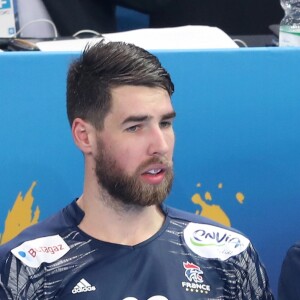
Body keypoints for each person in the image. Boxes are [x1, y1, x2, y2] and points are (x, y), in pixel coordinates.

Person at [0, 40, 274, 299]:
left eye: (165, 123)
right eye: (134, 127)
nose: (160, 145)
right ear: (85, 136)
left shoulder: (228, 257)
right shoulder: (28, 270)